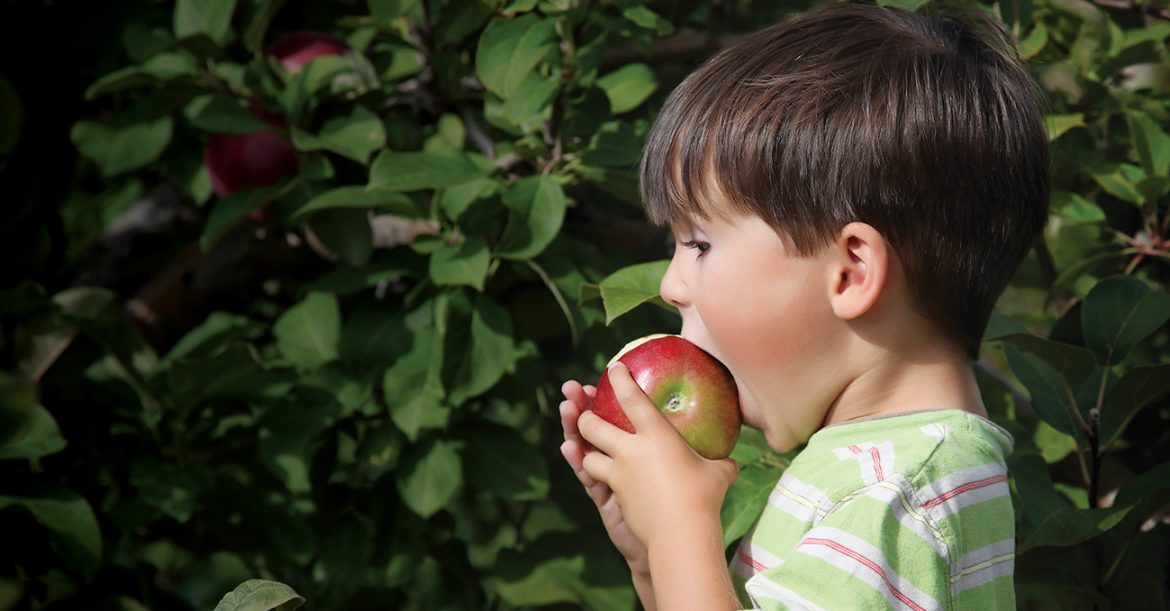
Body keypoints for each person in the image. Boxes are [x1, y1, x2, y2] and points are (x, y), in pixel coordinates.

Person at [558, 3, 1050, 609]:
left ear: (850, 273)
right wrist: (657, 561)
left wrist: (681, 530)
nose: (670, 285)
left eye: (699, 243)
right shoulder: (877, 472)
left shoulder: (895, 495)